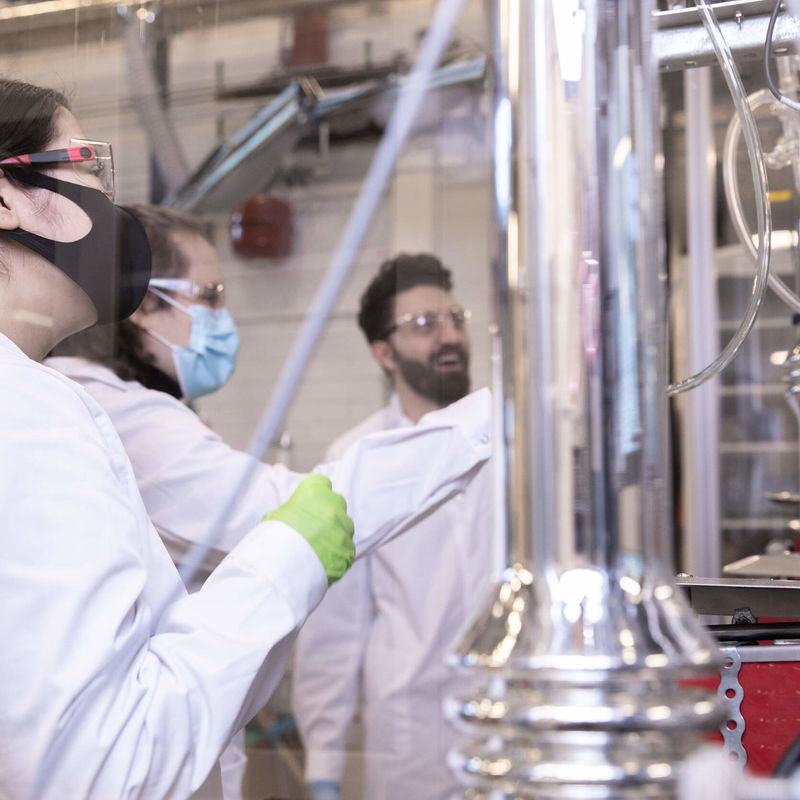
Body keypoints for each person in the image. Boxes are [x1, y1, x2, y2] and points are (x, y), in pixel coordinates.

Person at [0, 80, 490, 800]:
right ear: (7, 197)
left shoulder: (42, 398)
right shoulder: (31, 413)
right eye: (88, 166)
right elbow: (95, 766)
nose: (108, 200)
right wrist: (289, 556)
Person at [291, 254, 494, 800]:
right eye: (425, 325)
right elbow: (334, 629)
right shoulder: (356, 457)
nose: (449, 336)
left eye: (455, 318)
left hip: (511, 718)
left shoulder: (510, 437)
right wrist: (324, 764)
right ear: (383, 353)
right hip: (411, 734)